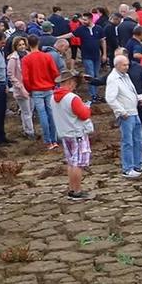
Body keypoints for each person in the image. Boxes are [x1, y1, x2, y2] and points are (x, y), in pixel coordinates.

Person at [51, 70, 95, 201]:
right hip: (77, 133)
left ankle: (72, 189)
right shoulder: (72, 98)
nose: (75, 85)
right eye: (74, 82)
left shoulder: (53, 97)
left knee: (71, 163)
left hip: (65, 133)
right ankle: (77, 191)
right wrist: (87, 108)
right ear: (69, 83)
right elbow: (84, 114)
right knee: (78, 164)